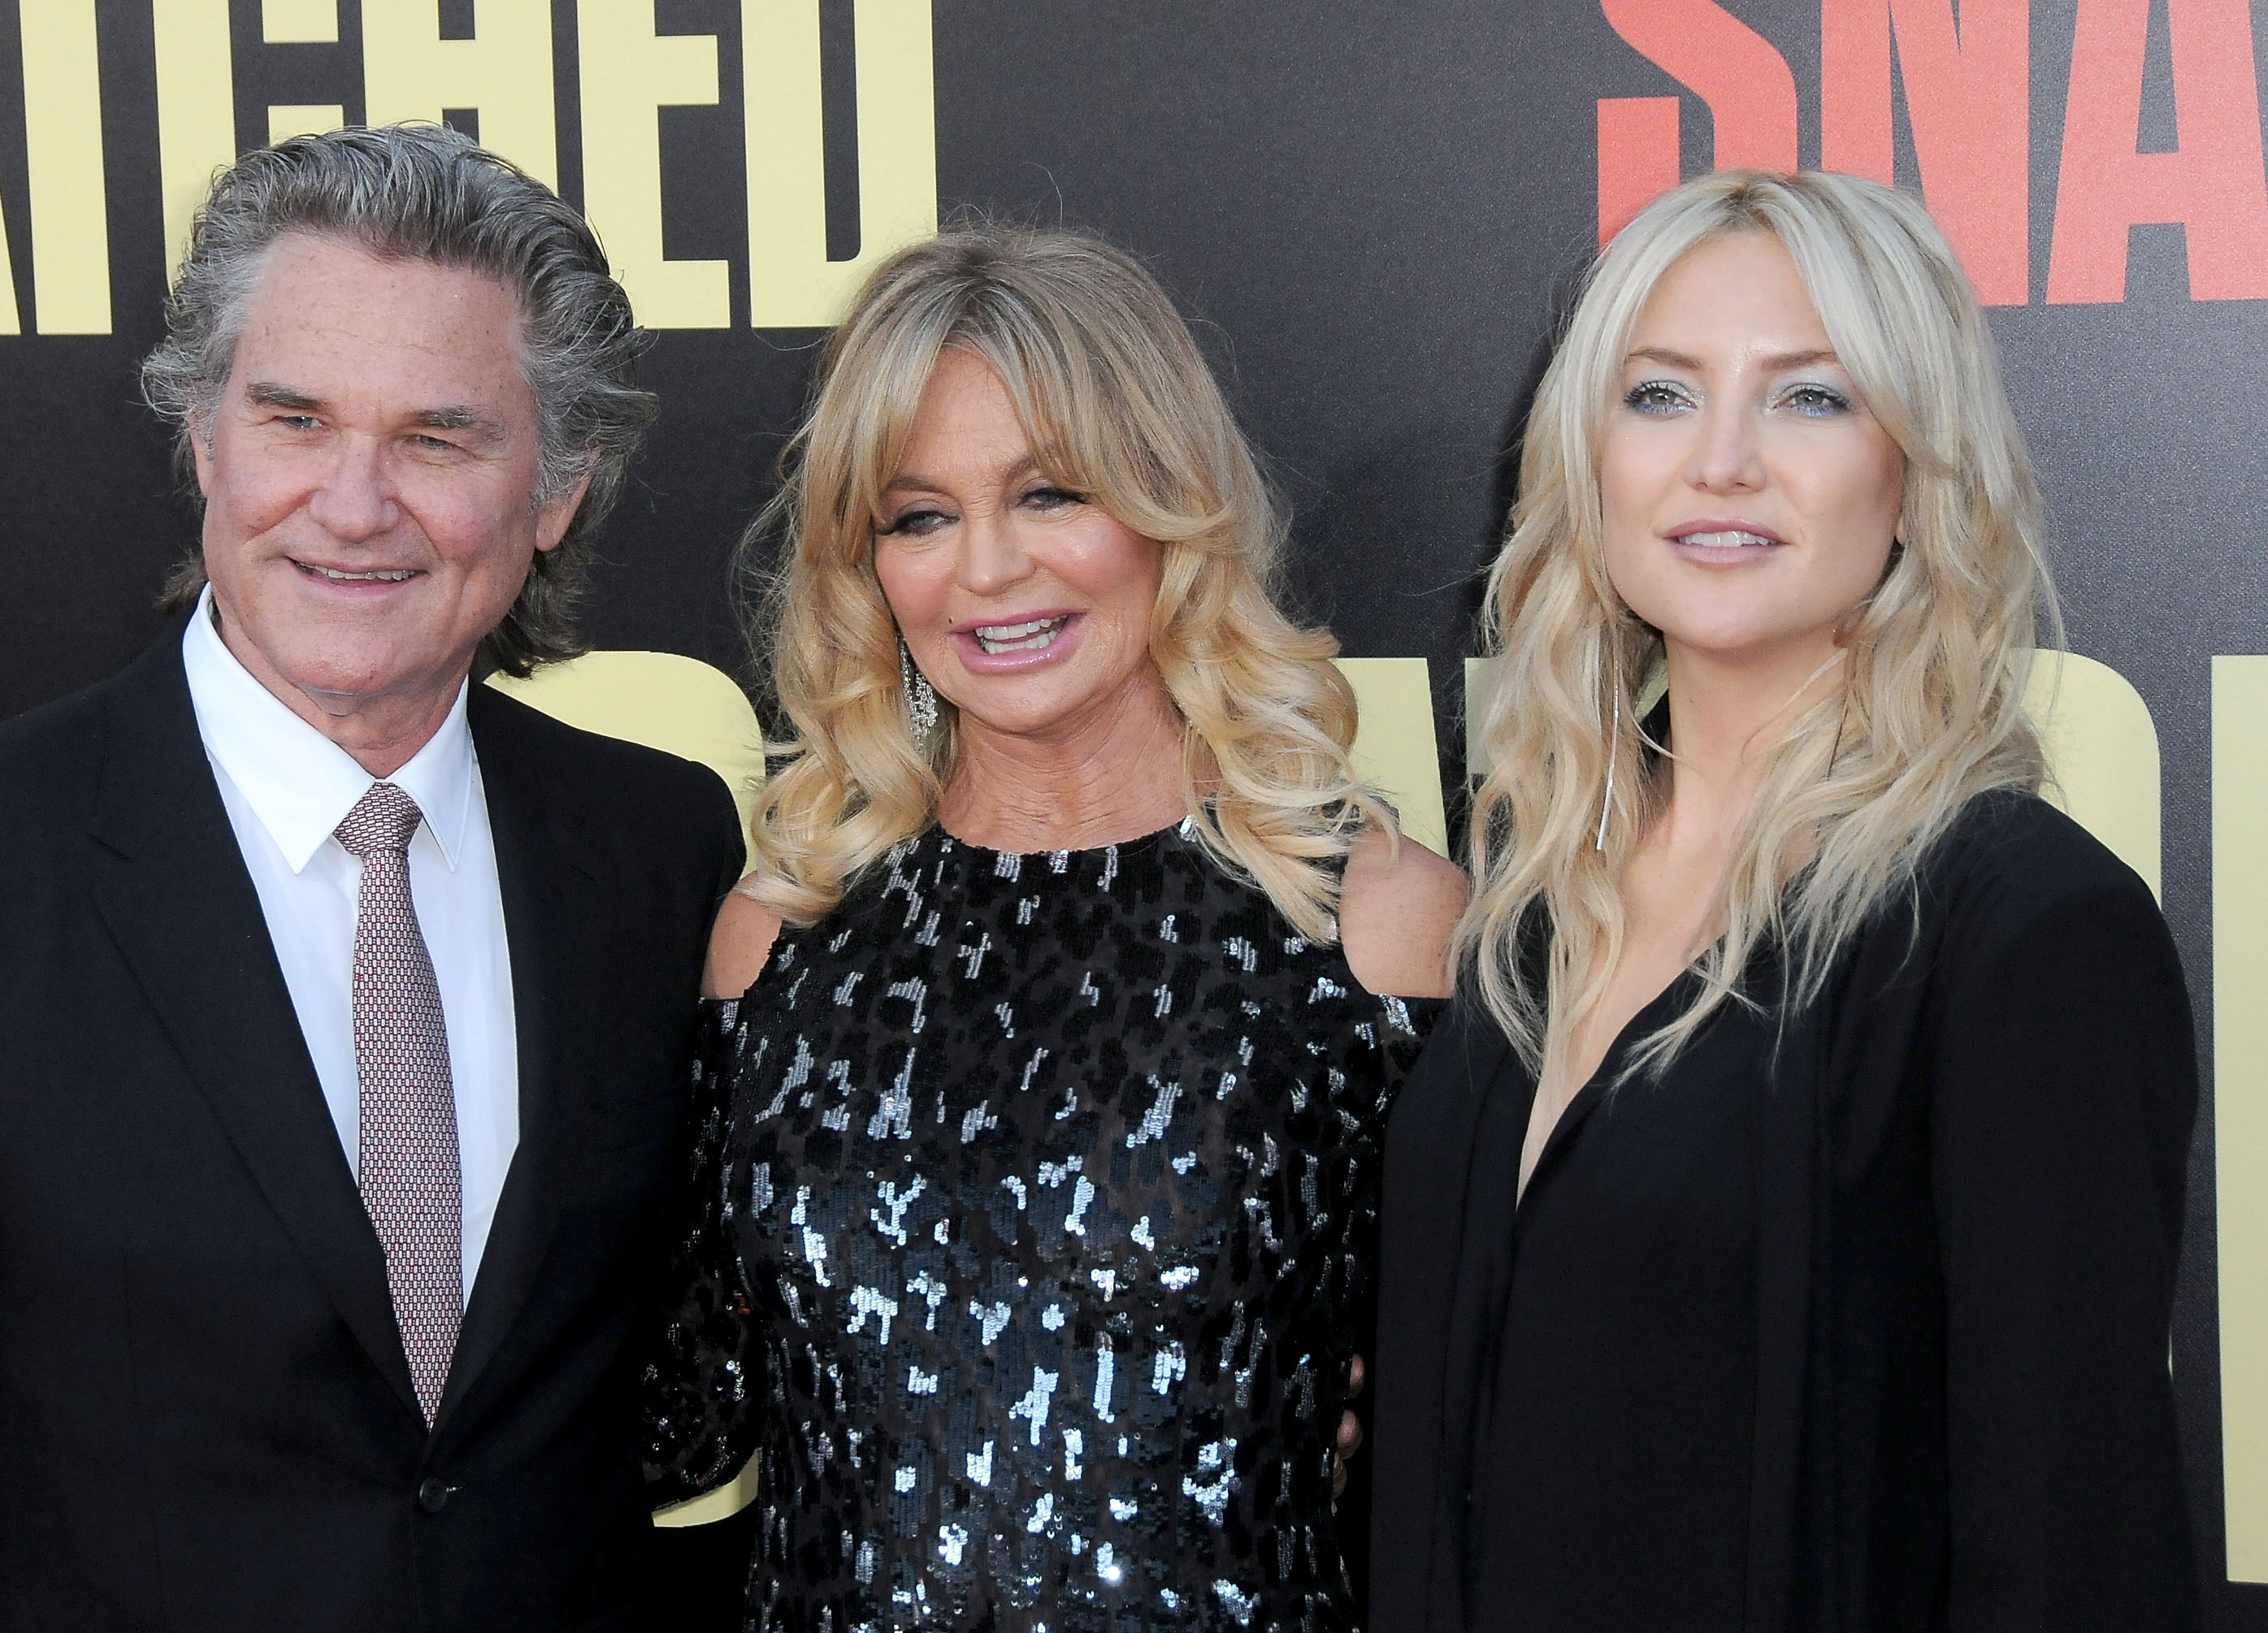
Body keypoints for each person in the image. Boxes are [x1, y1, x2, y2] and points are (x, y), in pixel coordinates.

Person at [0, 126, 744, 1631]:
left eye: (438, 436)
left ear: (560, 485)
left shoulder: (659, 847)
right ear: (205, 436)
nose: (355, 502)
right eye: (297, 418)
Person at [1368, 168, 2200, 1631]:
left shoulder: (2023, 933)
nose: (1723, 461)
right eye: (1662, 395)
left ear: (1915, 471)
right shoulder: (1531, 917)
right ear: (1591, 461)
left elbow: (2079, 1554)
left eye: (1810, 398)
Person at [647, 223, 1466, 1630]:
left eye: (1049, 494)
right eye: (918, 515)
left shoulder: (1369, 927)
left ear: (1168, 504)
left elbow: (1481, 1442)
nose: (986, 571)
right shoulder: (783, 939)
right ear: (868, 562)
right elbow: (686, 1423)